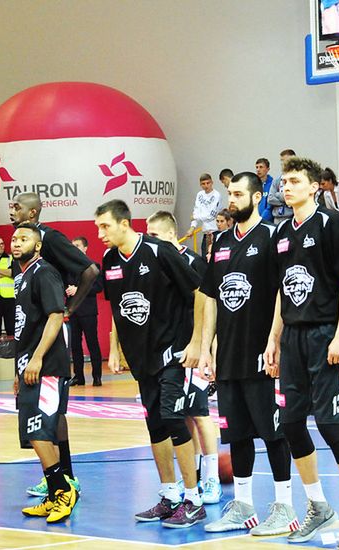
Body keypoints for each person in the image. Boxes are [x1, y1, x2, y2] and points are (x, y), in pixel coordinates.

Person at [264, 156, 339, 544]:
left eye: (295, 181)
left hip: (326, 333)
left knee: (329, 425)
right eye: (284, 181)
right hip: (293, 338)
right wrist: (273, 338)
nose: (287, 186)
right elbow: (282, 291)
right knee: (291, 424)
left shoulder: (332, 224)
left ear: (314, 186)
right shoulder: (282, 232)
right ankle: (318, 505)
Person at [197, 171, 299, 537]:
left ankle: (285, 507)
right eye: (230, 193)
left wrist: (275, 341)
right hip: (228, 357)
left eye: (238, 193)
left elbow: (283, 292)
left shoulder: (272, 236)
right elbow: (211, 298)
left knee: (274, 433)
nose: (232, 199)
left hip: (263, 355)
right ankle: (242, 507)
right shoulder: (222, 241)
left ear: (257, 197)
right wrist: (206, 349)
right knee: (236, 434)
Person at [95, 199, 205, 528]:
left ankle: (194, 499)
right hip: (142, 358)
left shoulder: (159, 251)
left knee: (173, 420)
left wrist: (197, 343)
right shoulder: (110, 260)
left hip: (173, 352)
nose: (100, 233)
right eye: (98, 227)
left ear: (124, 223)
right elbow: (116, 308)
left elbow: (200, 293)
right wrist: (114, 349)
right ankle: (170, 495)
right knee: (155, 426)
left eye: (105, 226)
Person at [9, 192, 100, 498]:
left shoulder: (49, 240)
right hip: (32, 337)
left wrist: (69, 309)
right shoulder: (21, 254)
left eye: (17, 207)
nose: (11, 211)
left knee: (49, 414)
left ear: (33, 213)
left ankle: (63, 480)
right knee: (50, 415)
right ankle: (62, 477)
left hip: (49, 335)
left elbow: (91, 270)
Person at [146, 210, 222, 505]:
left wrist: (206, 348)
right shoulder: (155, 264)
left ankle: (212, 477)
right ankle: (193, 474)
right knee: (182, 415)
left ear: (170, 234)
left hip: (195, 350)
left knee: (200, 412)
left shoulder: (193, 262)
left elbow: (209, 306)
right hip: (171, 351)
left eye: (154, 235)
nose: (150, 241)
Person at [12, 224, 79, 523]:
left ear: (37, 246)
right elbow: (24, 327)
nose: (16, 243)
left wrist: (37, 358)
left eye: (24, 239)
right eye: (14, 239)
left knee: (40, 431)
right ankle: (54, 494)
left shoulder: (44, 272)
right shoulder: (23, 277)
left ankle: (63, 491)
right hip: (29, 365)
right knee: (37, 434)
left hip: (47, 366)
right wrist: (20, 368)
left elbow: (55, 315)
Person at [66, 236, 102, 386]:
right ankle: (78, 376)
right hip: (73, 311)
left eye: (78, 245)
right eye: (72, 245)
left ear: (85, 248)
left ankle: (97, 376)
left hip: (88, 311)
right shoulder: (68, 266)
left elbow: (98, 287)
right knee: (75, 345)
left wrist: (78, 290)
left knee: (92, 343)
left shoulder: (94, 266)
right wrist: (67, 290)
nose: (74, 248)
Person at [183, 173, 222, 256]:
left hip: (216, 232)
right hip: (206, 233)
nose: (206, 186)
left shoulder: (216, 195)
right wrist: (192, 227)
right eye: (203, 184)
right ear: (200, 185)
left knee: (214, 259)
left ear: (212, 182)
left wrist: (195, 217)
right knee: (204, 258)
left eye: (208, 183)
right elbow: (196, 210)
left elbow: (210, 216)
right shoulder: (200, 194)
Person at [267, 148, 298, 225]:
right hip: (277, 219)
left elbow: (295, 198)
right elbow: (270, 199)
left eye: (286, 160)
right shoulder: (277, 180)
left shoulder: (298, 180)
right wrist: (285, 202)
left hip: (292, 217)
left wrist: (277, 195)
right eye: (281, 161)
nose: (283, 163)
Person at [256, 158, 275, 222]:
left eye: (261, 167)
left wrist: (261, 220)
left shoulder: (272, 184)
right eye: (257, 167)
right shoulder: (254, 185)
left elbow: (270, 207)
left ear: (267, 169)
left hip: (266, 221)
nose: (258, 170)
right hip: (255, 220)